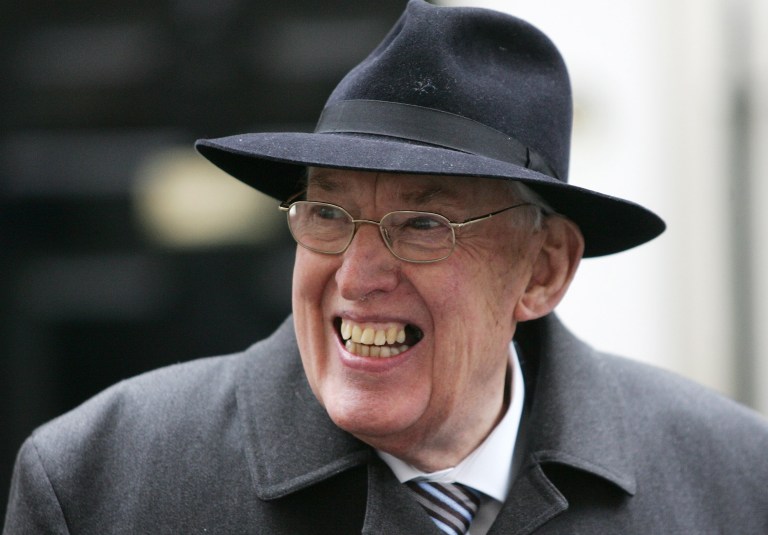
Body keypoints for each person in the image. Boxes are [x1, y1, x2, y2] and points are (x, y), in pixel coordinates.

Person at [5, 1, 768, 533]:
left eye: (423, 223)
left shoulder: (733, 479)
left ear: (543, 268)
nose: (359, 275)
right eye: (328, 214)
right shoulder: (99, 483)